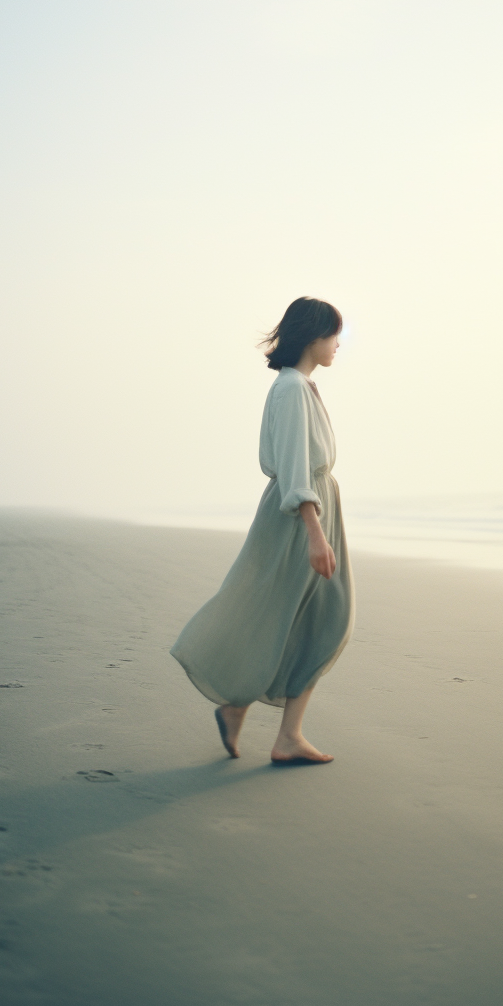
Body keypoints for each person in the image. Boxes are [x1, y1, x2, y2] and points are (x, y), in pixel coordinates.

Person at [170, 296, 355, 765]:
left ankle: (265, 723)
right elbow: (295, 468)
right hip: (301, 515)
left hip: (308, 508)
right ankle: (265, 722)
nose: (338, 345)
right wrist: (315, 531)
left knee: (303, 618)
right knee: (307, 617)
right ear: (314, 336)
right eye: (334, 335)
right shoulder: (292, 389)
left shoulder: (299, 386)